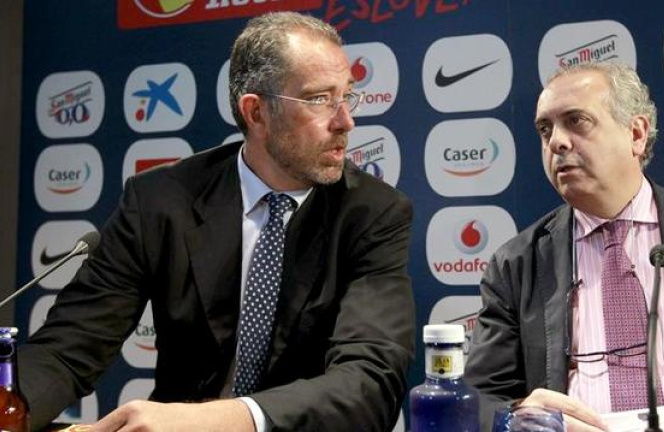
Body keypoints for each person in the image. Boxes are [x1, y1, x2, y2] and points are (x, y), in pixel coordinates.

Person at [19, 12, 415, 432]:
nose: (346, 121)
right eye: (319, 99)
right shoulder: (160, 200)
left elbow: (370, 381)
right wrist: (10, 403)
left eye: (347, 96)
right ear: (256, 112)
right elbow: (66, 350)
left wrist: (218, 420)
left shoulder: (372, 213)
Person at [464, 61, 664, 432]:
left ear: (636, 134)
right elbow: (480, 398)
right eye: (545, 129)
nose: (556, 142)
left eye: (576, 121)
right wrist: (517, 416)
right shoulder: (515, 265)